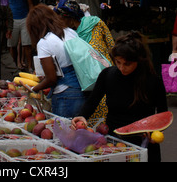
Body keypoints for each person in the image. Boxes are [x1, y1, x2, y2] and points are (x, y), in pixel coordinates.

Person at [71, 31, 168, 162]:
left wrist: (156, 131)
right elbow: (92, 101)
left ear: (138, 61)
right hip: (113, 141)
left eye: (127, 64)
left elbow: (163, 114)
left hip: (144, 143)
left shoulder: (152, 80)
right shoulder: (107, 75)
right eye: (118, 62)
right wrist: (82, 115)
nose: (122, 67)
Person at [54, 0, 114, 120]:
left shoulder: (89, 28)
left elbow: (112, 47)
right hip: (97, 81)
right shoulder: (74, 34)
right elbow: (112, 46)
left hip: (100, 80)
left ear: (68, 18)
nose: (58, 22)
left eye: (60, 18)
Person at [26, 4, 85, 118]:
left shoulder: (44, 42)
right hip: (82, 89)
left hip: (65, 94)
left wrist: (34, 89)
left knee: (64, 132)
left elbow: (51, 79)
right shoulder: (70, 32)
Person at [5, 0, 34, 72]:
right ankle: (14, 67)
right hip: (12, 20)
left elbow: (30, 4)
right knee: (12, 45)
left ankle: (30, 66)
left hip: (25, 18)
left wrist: (30, 18)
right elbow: (5, 5)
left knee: (27, 44)